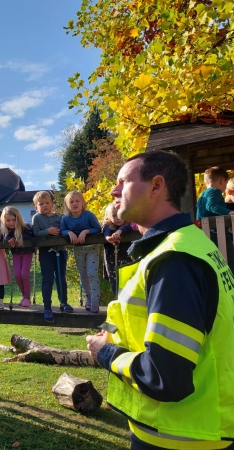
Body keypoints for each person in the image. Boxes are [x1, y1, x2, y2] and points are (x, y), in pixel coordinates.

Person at [86, 151, 234, 450]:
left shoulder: (174, 260)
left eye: (123, 181)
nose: (113, 191)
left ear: (156, 186)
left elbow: (165, 376)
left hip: (182, 436)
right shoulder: (189, 244)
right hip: (191, 430)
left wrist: (106, 353)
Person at [32, 190, 72, 322]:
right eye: (41, 204)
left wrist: (63, 232)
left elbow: (65, 230)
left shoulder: (59, 218)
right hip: (45, 253)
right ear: (36, 207)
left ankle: (64, 302)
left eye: (47, 203)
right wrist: (47, 231)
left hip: (60, 251)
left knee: (61, 278)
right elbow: (36, 232)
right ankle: (47, 307)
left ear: (52, 204)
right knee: (47, 279)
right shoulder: (37, 218)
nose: (45, 206)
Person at [60, 191, 102, 313]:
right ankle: (88, 298)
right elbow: (62, 230)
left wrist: (85, 231)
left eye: (77, 201)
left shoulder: (88, 215)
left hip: (92, 248)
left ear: (83, 203)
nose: (74, 204)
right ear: (67, 205)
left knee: (92, 273)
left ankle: (95, 300)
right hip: (78, 249)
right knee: (83, 274)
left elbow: (97, 228)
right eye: (71, 202)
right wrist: (69, 232)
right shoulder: (66, 218)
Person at [196, 166, 234, 273]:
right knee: (229, 258)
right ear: (222, 181)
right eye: (226, 184)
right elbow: (211, 205)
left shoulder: (203, 194)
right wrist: (230, 212)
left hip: (205, 233)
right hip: (216, 233)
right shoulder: (215, 191)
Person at [1, 206, 34, 307]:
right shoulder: (6, 232)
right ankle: (24, 296)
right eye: (8, 220)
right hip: (16, 254)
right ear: (4, 221)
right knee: (16, 275)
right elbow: (4, 238)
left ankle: (27, 297)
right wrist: (8, 240)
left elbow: (31, 236)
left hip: (27, 253)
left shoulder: (26, 227)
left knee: (24, 274)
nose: (11, 223)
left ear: (18, 218)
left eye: (13, 220)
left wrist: (19, 238)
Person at [102, 203, 133, 298]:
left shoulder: (128, 225)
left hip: (126, 259)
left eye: (120, 214)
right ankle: (117, 299)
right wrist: (108, 237)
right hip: (112, 260)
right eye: (114, 215)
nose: (118, 217)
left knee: (128, 281)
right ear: (108, 217)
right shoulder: (108, 226)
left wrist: (119, 231)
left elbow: (128, 227)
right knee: (114, 281)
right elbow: (105, 231)